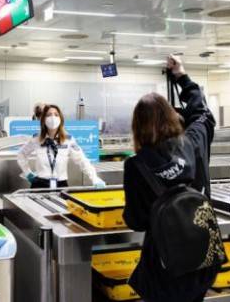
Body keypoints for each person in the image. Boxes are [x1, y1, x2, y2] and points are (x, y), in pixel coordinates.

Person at [123, 55, 218, 302]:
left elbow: (136, 220)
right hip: (202, 258)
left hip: (163, 264)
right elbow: (202, 112)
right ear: (173, 116)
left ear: (137, 126)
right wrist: (181, 75)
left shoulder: (137, 165)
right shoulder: (195, 141)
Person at [18, 104, 106, 189]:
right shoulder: (36, 139)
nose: (53, 118)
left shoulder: (68, 140)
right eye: (49, 115)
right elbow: (21, 154)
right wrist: (27, 173)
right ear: (43, 119)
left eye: (56, 114)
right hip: (39, 185)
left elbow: (82, 160)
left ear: (60, 119)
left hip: (61, 185)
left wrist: (95, 178)